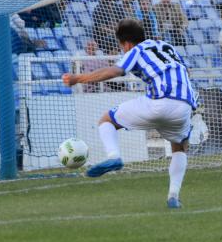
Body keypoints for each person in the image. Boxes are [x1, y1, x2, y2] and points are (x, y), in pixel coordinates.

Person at [62, 19, 197, 209]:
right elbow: (187, 72)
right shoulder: (165, 46)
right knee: (180, 147)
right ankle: (173, 196)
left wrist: (78, 78)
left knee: (107, 120)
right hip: (184, 105)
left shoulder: (136, 50)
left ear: (126, 43)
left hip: (158, 102)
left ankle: (114, 156)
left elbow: (115, 71)